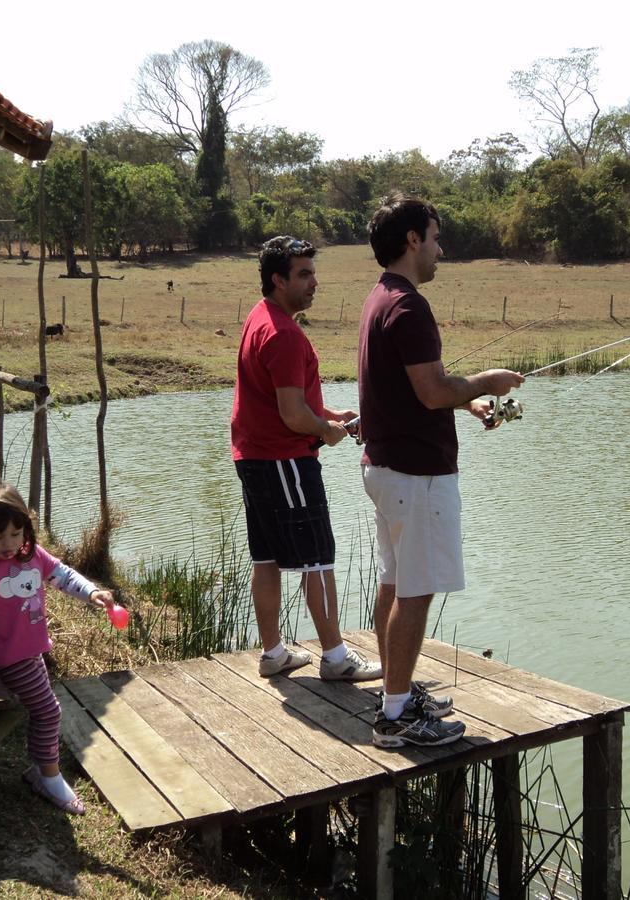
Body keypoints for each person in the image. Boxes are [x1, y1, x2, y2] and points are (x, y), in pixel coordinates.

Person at [358, 195, 524, 748]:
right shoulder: (408, 306)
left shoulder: (380, 298)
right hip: (415, 476)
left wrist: (465, 402)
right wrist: (484, 383)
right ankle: (396, 718)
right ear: (412, 240)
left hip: (386, 471)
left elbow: (419, 389)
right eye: (434, 236)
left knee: (394, 581)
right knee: (416, 592)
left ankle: (395, 694)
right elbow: (432, 389)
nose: (439, 248)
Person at [231, 235, 382, 682]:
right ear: (278, 280)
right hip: (285, 462)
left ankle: (273, 652)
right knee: (317, 557)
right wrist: (328, 431)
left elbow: (284, 400)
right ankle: (336, 658)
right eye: (304, 274)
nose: (315, 282)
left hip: (255, 457)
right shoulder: (284, 335)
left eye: (313, 272)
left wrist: (333, 415)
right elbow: (294, 415)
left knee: (267, 558)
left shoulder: (262, 317)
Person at [0, 483, 117, 815]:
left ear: (25, 529)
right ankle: (45, 775)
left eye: (15, 533)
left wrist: (93, 593)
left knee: (45, 707)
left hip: (29, 651)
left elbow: (63, 576)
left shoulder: (33, 555)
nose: (8, 544)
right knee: (48, 711)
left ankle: (43, 768)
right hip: (8, 657)